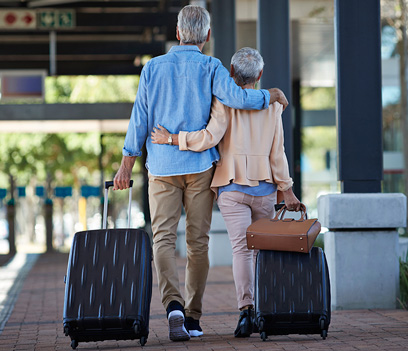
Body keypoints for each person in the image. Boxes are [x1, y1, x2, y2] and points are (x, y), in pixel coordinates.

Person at [113, 5, 289, 342]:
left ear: (178, 33)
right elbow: (237, 98)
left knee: (162, 239)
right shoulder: (212, 67)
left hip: (162, 168)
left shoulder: (153, 68)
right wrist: (269, 95)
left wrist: (126, 163)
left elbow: (140, 116)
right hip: (200, 169)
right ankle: (192, 318)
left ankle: (173, 305)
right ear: (207, 36)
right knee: (197, 243)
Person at [151, 47, 301, 338]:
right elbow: (277, 153)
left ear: (230, 73)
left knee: (241, 250)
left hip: (231, 186)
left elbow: (209, 138)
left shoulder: (223, 102)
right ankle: (263, 312)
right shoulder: (273, 106)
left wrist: (172, 138)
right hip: (266, 187)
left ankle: (245, 311)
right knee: (261, 251)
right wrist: (287, 189)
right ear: (259, 75)